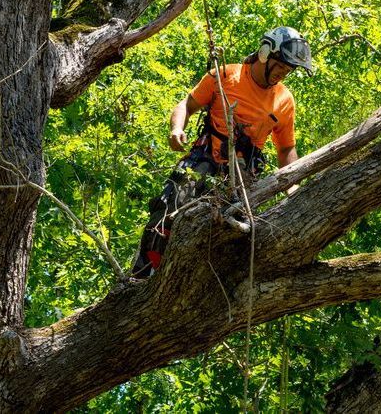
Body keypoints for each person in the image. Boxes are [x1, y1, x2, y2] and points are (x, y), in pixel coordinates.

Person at [130, 26, 313, 278]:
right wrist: (176, 129)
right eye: (281, 65)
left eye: (289, 69)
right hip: (204, 157)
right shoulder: (226, 75)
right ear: (265, 53)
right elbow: (187, 104)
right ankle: (142, 275)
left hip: (242, 174)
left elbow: (286, 148)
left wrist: (292, 185)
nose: (284, 73)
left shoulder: (284, 100)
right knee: (168, 210)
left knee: (231, 235)